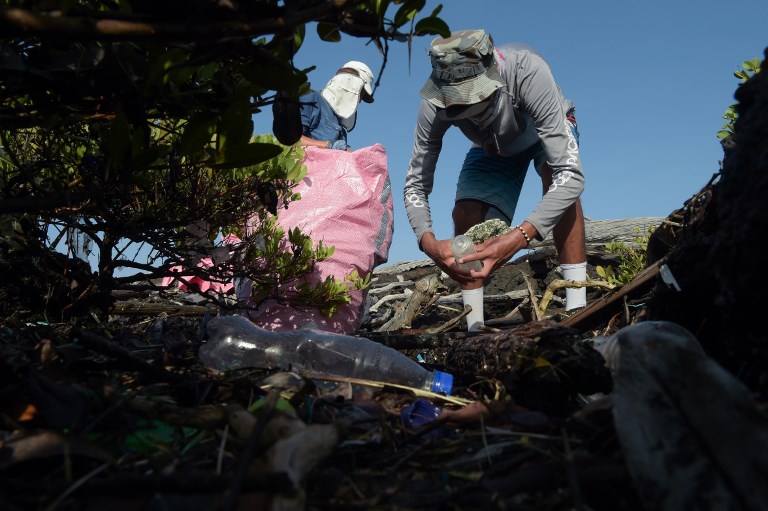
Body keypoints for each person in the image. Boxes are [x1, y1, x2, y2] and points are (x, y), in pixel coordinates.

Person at [403, 29, 587, 330]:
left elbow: (571, 176)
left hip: (544, 131)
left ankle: (577, 304)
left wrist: (520, 237)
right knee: (465, 212)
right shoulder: (433, 103)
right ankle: (474, 324)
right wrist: (428, 242)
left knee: (555, 176)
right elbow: (415, 185)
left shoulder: (527, 71)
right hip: (492, 145)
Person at [298, 61, 375, 151]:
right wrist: (328, 146)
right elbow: (293, 140)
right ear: (351, 84)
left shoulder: (341, 123)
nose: (360, 100)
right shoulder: (311, 97)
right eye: (362, 93)